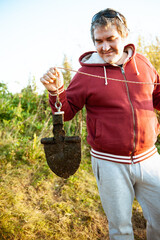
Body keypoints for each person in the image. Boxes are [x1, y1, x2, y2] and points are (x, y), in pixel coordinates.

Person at [40, 8, 160, 240]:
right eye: (99, 41)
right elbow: (65, 112)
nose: (105, 47)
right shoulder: (85, 73)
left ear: (124, 36)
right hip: (109, 162)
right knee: (121, 229)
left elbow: (156, 99)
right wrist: (56, 91)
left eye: (111, 39)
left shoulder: (143, 63)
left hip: (150, 158)